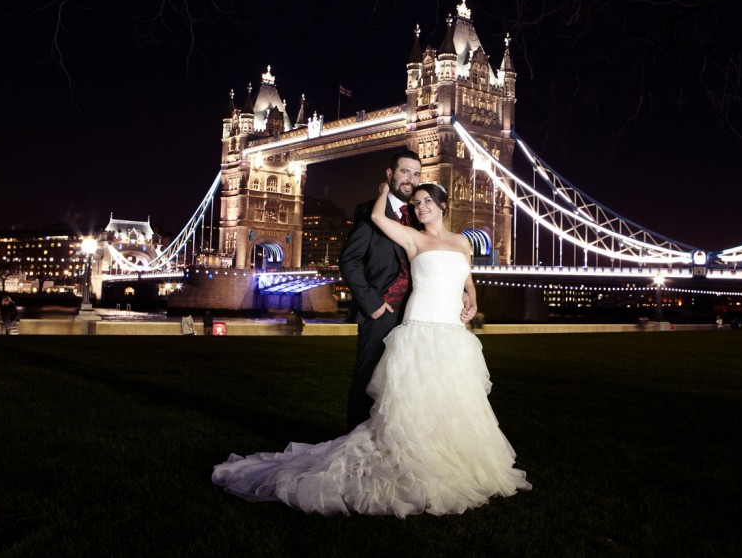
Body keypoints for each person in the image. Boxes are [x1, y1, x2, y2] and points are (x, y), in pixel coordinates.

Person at [212, 181, 530, 516]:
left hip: (452, 326)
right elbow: (378, 217)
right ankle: (415, 457)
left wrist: (472, 298)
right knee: (414, 398)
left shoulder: (463, 241)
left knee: (451, 395)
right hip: (421, 323)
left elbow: (467, 279)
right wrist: (383, 190)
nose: (420, 207)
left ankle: (450, 457)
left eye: (426, 202)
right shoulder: (413, 238)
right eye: (416, 203)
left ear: (443, 205)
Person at [338, 149, 428, 431]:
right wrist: (372, 303)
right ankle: (352, 444)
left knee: (405, 384)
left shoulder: (420, 215)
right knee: (367, 380)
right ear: (390, 174)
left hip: (415, 313)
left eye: (416, 174)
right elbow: (349, 261)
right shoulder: (369, 211)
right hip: (381, 311)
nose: (410, 180)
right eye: (405, 172)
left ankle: (389, 441)